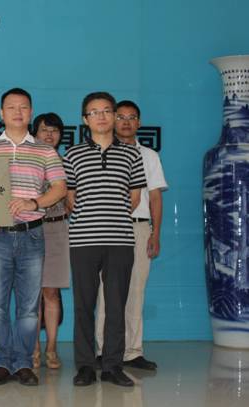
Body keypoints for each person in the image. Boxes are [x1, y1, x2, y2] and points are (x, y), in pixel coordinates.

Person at [0, 88, 67, 386]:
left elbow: (59, 188)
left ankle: (24, 362)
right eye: (11, 107)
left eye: (24, 107)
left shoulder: (45, 150)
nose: (18, 112)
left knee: (29, 308)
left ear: (31, 112)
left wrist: (34, 202)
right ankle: (2, 362)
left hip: (32, 236)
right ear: (1, 114)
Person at [63, 92, 146, 387]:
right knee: (84, 305)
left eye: (107, 111)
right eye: (94, 112)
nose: (101, 116)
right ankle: (85, 366)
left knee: (116, 305)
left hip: (120, 240)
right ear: (85, 119)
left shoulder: (132, 154)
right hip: (83, 241)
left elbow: (134, 198)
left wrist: (111, 214)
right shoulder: (72, 154)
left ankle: (112, 366)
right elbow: (70, 199)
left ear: (113, 115)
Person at [95, 100, 167, 371]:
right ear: (112, 120)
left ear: (139, 123)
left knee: (136, 289)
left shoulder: (149, 155)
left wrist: (155, 233)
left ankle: (133, 351)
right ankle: (103, 350)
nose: (126, 122)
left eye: (131, 117)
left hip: (139, 227)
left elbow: (155, 197)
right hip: (107, 227)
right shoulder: (102, 152)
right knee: (106, 291)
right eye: (121, 117)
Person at [31, 113, 70, 370]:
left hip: (57, 230)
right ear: (34, 133)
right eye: (44, 130)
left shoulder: (67, 163)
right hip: (31, 229)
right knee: (32, 294)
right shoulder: (26, 161)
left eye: (54, 131)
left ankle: (52, 349)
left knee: (51, 292)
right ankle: (33, 348)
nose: (49, 135)